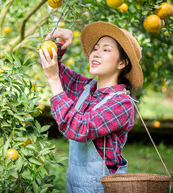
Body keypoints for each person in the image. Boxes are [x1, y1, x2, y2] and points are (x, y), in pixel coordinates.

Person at [38, 21, 143, 193]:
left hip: (101, 188)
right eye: (95, 48)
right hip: (73, 184)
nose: (96, 53)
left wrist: (53, 80)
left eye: (106, 49)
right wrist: (58, 43)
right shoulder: (86, 89)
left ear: (122, 63)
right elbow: (49, 64)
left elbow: (80, 128)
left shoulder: (122, 104)